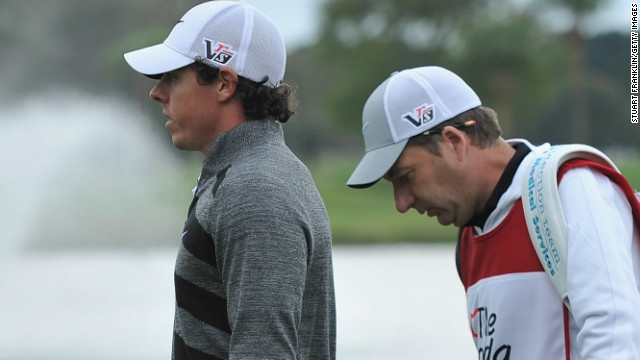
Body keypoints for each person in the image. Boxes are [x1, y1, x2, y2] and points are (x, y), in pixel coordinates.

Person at [346, 66, 640, 359]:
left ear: (454, 141)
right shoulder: (469, 236)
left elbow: (615, 334)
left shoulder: (571, 186)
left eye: (406, 177)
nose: (402, 203)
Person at [124, 2, 336, 359]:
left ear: (224, 84)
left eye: (173, 77)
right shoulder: (246, 173)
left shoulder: (256, 190)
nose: (157, 92)